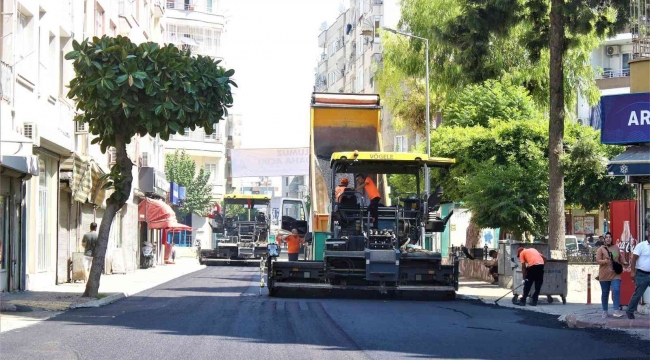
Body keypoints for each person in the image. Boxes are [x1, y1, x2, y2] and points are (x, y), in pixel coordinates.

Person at [596, 232, 627, 318]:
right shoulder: (601, 249)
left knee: (616, 290)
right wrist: (605, 261)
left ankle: (616, 310)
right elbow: (598, 260)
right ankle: (604, 311)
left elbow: (619, 257)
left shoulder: (616, 248)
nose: (608, 239)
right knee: (605, 293)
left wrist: (624, 262)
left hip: (615, 274)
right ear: (604, 239)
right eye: (607, 237)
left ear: (611, 238)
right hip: (604, 275)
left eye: (610, 237)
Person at [626, 236, 650, 319]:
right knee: (638, 294)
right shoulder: (641, 245)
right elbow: (634, 259)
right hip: (641, 274)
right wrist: (632, 272)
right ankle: (630, 311)